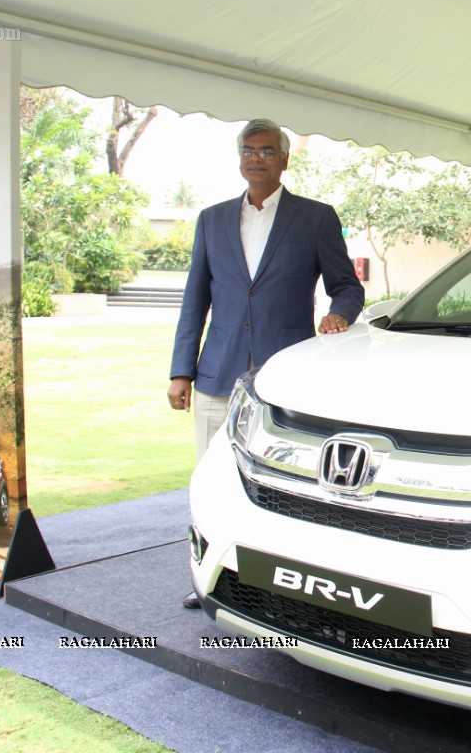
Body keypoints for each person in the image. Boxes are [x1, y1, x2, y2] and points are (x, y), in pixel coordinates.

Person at [168, 118, 364, 608]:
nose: (256, 158)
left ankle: (287, 583)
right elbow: (195, 299)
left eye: (267, 150)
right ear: (240, 160)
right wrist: (181, 371)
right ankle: (210, 576)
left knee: (283, 486)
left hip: (287, 380)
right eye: (248, 151)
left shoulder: (315, 218)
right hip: (218, 373)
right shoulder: (211, 220)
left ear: (283, 159)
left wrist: (339, 315)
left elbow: (348, 286)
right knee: (213, 481)